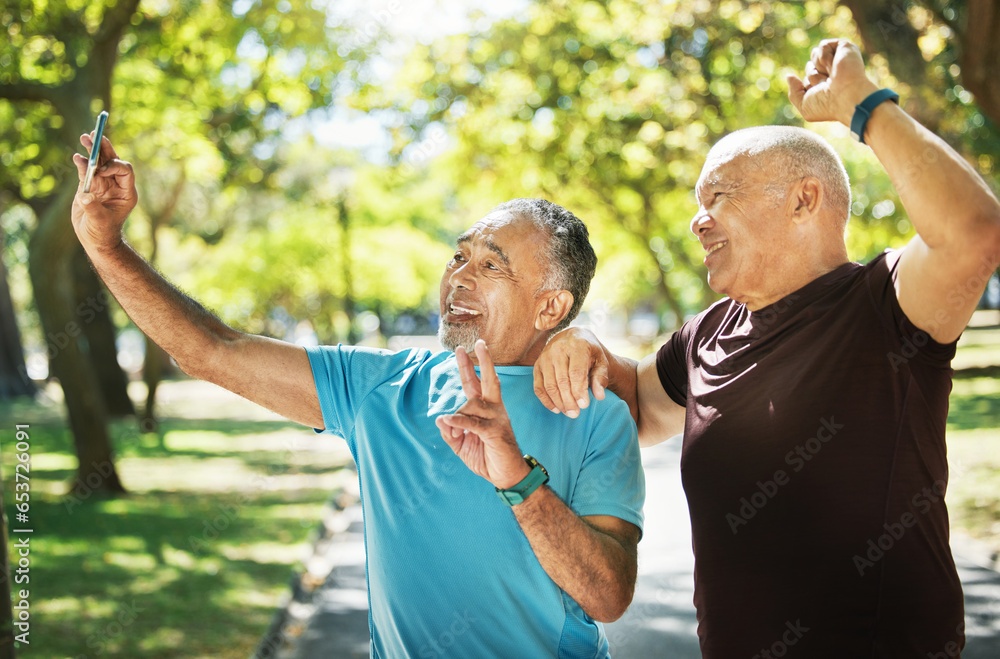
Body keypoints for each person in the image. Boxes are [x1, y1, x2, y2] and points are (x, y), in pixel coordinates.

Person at [70, 141, 645, 656]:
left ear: (550, 308)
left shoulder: (598, 415)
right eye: (459, 256)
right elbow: (213, 352)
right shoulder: (384, 387)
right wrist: (107, 246)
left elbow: (608, 595)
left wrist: (518, 479)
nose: (460, 277)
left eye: (491, 264)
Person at [533, 39, 1000, 657]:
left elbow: (974, 234)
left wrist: (864, 106)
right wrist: (582, 343)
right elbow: (635, 406)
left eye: (718, 197)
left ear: (804, 199)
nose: (698, 222)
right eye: (698, 206)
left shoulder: (883, 303)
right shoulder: (707, 332)